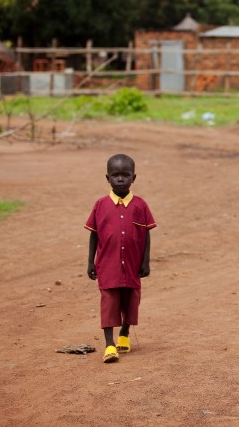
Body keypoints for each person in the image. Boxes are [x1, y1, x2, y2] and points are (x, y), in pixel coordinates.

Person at [85, 154, 156, 363]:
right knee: (109, 301)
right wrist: (91, 262)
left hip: (133, 263)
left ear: (134, 177)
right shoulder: (100, 205)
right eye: (115, 175)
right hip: (107, 264)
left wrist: (146, 261)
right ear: (107, 178)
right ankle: (109, 345)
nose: (120, 179)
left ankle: (124, 333)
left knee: (131, 300)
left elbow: (146, 234)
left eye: (125, 175)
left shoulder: (141, 205)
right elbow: (93, 234)